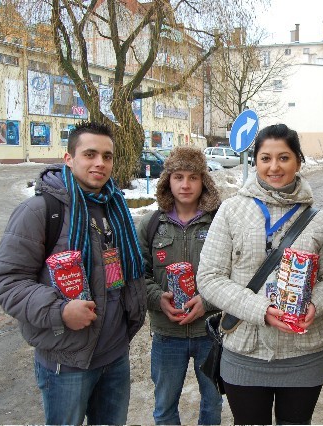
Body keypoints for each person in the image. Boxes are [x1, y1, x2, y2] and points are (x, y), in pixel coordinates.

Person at [0, 121, 147, 425]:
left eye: (107, 156)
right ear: (69, 159)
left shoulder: (115, 209)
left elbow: (128, 272)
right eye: (90, 154)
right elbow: (6, 282)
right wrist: (60, 311)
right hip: (67, 363)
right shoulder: (41, 211)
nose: (100, 163)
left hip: (115, 356)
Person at [197, 123, 323, 425]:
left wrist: (314, 305)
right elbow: (209, 277)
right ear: (256, 162)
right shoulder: (231, 211)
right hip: (246, 349)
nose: (274, 167)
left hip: (304, 352)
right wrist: (261, 310)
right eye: (266, 158)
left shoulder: (319, 220)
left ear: (298, 162)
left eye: (284, 158)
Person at [136, 146, 222, 425]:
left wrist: (207, 303)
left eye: (193, 177)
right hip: (166, 333)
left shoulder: (221, 222)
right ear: (167, 181)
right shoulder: (150, 224)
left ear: (203, 181)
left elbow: (233, 274)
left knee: (212, 405)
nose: (185, 185)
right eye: (178, 177)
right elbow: (138, 275)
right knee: (164, 407)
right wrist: (158, 298)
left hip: (210, 331)